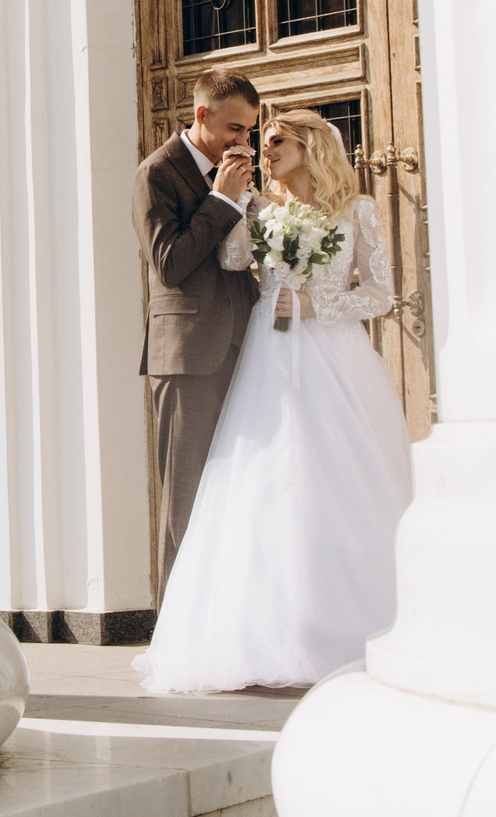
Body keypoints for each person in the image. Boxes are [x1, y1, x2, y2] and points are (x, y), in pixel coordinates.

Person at [137, 107, 413, 694]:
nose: (265, 151)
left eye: (276, 140)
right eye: (262, 142)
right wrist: (233, 206)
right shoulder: (264, 206)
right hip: (268, 355)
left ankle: (350, 624)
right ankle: (270, 631)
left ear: (312, 145)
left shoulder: (356, 209)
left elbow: (381, 294)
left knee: (334, 477)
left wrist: (316, 305)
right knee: (268, 482)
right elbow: (235, 261)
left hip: (332, 357)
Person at [130, 72, 264, 599]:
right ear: (202, 115)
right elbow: (170, 264)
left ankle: (231, 619)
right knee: (185, 496)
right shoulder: (157, 173)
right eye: (234, 128)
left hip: (246, 346)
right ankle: (177, 633)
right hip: (187, 356)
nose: (243, 142)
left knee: (242, 490)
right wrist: (224, 203)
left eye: (249, 130)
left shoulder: (239, 173)